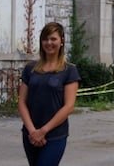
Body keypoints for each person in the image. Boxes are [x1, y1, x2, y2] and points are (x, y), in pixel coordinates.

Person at [18, 22, 81, 166]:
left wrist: (43, 131)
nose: (49, 43)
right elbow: (22, 102)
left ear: (61, 41)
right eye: (45, 39)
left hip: (54, 135)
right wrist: (33, 131)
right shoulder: (30, 69)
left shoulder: (69, 71)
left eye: (53, 39)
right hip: (30, 134)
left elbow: (69, 106)